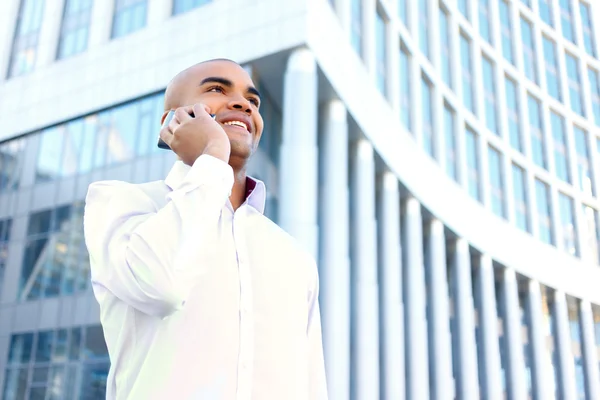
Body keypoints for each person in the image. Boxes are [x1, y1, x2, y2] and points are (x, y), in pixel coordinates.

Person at [83, 59, 328, 400]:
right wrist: (212, 156)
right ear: (170, 120)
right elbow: (161, 285)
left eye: (252, 101)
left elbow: (311, 384)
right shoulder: (123, 203)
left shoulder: (293, 255)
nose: (243, 104)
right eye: (216, 89)